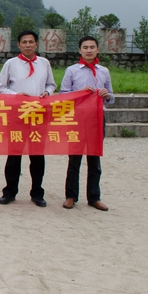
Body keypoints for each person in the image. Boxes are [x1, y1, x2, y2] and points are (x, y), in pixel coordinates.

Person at [0, 30, 56, 207]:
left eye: (31, 42)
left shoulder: (44, 63)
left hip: (38, 115)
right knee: (14, 155)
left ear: (36, 44)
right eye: (24, 42)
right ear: (19, 45)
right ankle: (9, 192)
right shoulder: (11, 64)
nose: (28, 45)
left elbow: (51, 84)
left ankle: (37, 193)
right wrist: (16, 95)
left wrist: (47, 92)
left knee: (37, 156)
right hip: (17, 115)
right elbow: (0, 87)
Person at [60, 35, 114, 211]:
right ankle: (70, 196)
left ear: (98, 49)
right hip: (77, 119)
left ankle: (94, 197)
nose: (89, 50)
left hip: (97, 119)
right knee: (74, 159)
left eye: (92, 47)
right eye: (85, 47)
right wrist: (80, 93)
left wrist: (107, 95)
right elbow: (63, 94)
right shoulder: (72, 71)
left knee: (94, 160)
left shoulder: (104, 71)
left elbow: (111, 96)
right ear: (80, 50)